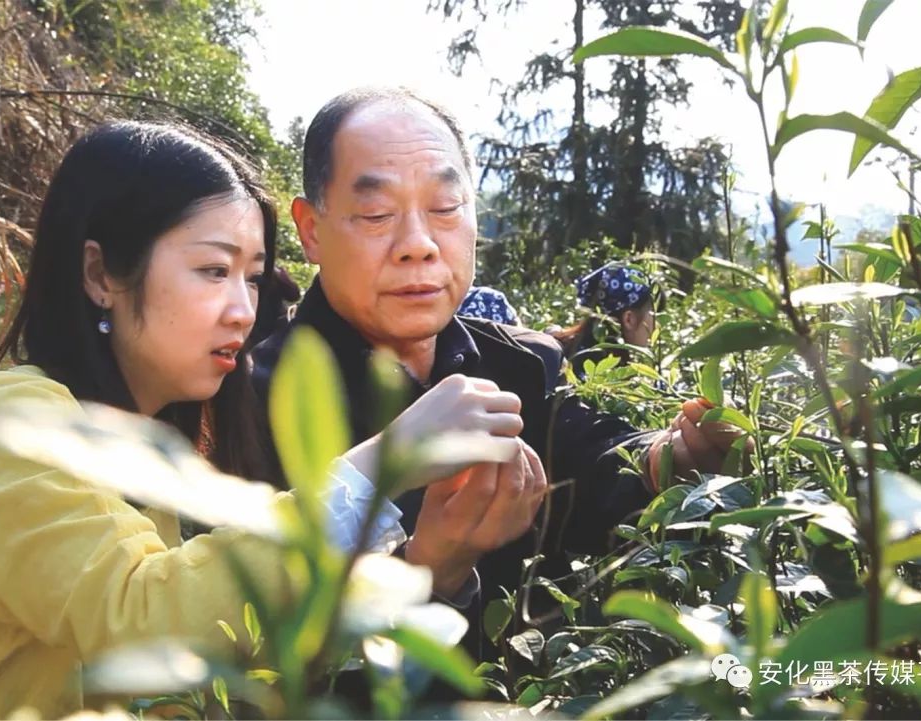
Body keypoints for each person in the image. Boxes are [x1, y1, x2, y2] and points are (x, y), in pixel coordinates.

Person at [0, 121, 543, 718]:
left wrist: (430, 567)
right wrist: (383, 465)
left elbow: (233, 670)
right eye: (213, 271)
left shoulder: (149, 453)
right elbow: (143, 625)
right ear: (100, 274)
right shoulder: (10, 423)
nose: (242, 310)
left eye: (251, 278)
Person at [250, 87, 749, 658]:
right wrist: (432, 573)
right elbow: (262, 653)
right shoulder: (249, 399)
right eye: (376, 214)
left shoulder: (521, 363)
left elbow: (594, 461)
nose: (418, 245)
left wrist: (678, 456)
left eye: (444, 208)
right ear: (311, 230)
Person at [551, 262, 665, 377]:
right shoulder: (613, 376)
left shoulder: (564, 346)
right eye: (655, 316)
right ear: (629, 319)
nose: (658, 326)